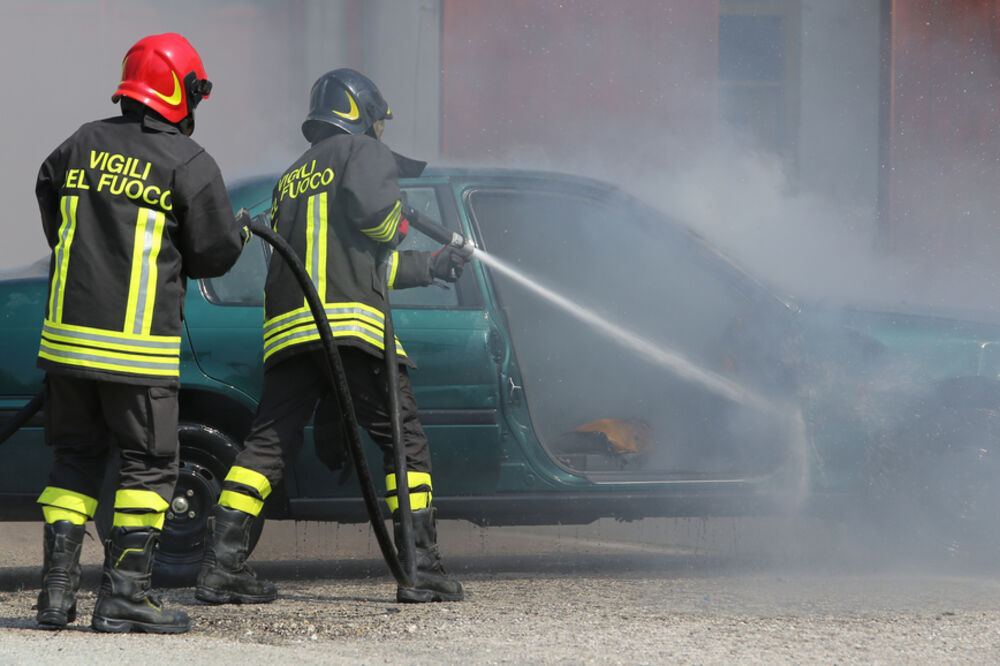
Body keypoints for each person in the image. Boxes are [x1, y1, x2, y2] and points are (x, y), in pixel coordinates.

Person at [196, 68, 466, 606]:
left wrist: (430, 266)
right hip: (349, 329)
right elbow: (378, 222)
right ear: (361, 112)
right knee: (403, 441)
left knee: (267, 447)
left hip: (291, 334)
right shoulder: (361, 152)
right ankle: (420, 565)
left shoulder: (293, 176)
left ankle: (220, 566)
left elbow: (353, 264)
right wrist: (400, 220)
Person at [33, 33, 246, 633]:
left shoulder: (79, 143)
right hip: (136, 352)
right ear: (182, 91)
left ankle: (55, 596)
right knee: (149, 465)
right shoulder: (189, 162)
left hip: (66, 347)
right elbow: (215, 254)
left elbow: (50, 202)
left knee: (74, 461)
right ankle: (124, 594)